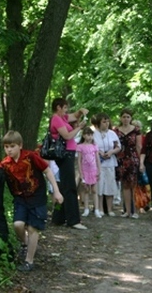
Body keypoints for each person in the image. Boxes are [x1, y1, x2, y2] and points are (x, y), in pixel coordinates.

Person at [1, 130, 63, 272]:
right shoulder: (5, 164)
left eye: (12, 146)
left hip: (37, 196)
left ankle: (29, 261)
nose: (9, 150)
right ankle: (26, 244)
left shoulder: (30, 157)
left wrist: (57, 191)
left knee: (32, 228)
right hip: (20, 198)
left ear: (20, 145)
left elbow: (47, 171)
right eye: (6, 147)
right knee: (18, 225)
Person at [49, 97, 88, 230]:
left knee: (64, 187)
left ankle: (58, 217)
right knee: (70, 187)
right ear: (58, 107)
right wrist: (80, 128)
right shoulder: (56, 119)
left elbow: (74, 115)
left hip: (68, 153)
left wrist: (81, 111)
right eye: (65, 108)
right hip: (64, 155)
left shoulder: (63, 118)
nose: (66, 111)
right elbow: (67, 136)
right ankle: (73, 220)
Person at [114, 108, 142, 219]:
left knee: (134, 185)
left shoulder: (136, 130)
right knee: (125, 186)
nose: (126, 119)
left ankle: (135, 211)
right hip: (121, 160)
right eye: (124, 116)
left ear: (131, 118)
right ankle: (127, 211)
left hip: (133, 159)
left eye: (128, 117)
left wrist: (141, 161)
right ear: (121, 118)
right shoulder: (116, 130)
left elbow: (139, 146)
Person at [93, 112, 121, 217]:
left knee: (110, 185)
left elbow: (118, 146)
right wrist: (100, 153)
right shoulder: (94, 134)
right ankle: (100, 208)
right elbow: (92, 145)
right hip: (98, 163)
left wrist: (111, 152)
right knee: (100, 185)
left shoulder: (112, 133)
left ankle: (109, 209)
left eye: (107, 121)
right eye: (104, 122)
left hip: (110, 162)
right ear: (99, 123)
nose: (106, 123)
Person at [76, 127, 102, 218]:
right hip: (85, 170)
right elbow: (79, 160)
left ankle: (97, 210)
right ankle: (86, 209)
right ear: (83, 135)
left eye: (91, 135)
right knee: (86, 190)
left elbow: (97, 159)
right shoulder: (80, 146)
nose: (89, 137)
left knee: (94, 190)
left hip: (93, 170)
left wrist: (99, 170)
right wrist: (80, 172)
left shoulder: (95, 146)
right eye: (87, 135)